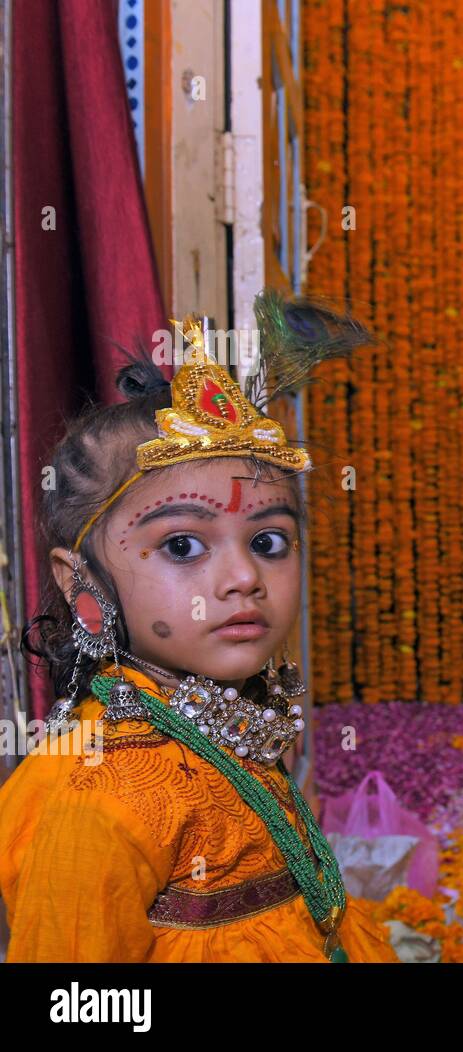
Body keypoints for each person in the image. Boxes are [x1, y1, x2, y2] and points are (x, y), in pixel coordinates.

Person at [0, 296, 399, 962]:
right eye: (183, 546)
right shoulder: (98, 798)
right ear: (81, 581)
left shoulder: (226, 725)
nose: (243, 577)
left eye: (270, 541)